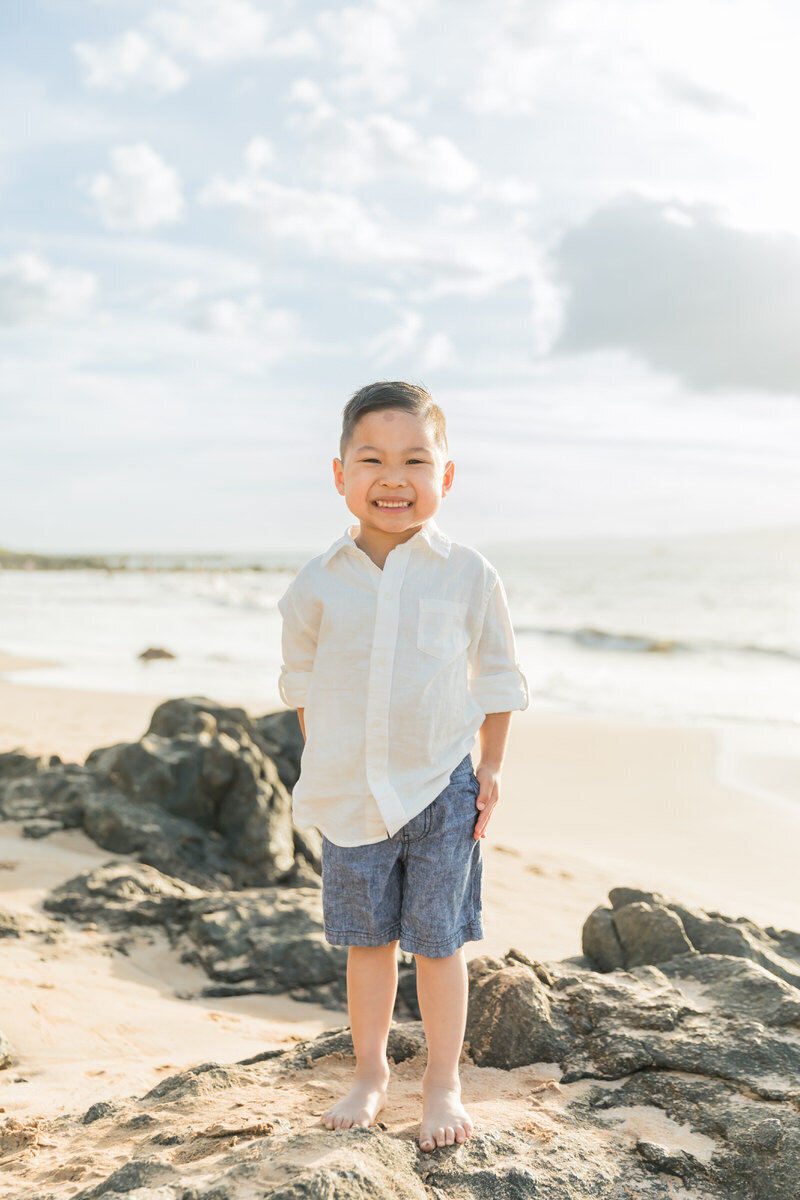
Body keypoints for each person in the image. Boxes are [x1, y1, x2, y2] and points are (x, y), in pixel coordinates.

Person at [277, 380, 529, 1152]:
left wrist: (489, 767)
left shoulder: (469, 573)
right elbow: (300, 686)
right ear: (340, 474)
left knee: (441, 943)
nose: (394, 477)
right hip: (353, 792)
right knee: (368, 944)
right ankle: (369, 1073)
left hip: (441, 786)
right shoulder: (317, 584)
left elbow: (497, 678)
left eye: (416, 459)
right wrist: (330, 763)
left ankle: (443, 1081)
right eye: (373, 459)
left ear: (445, 476)